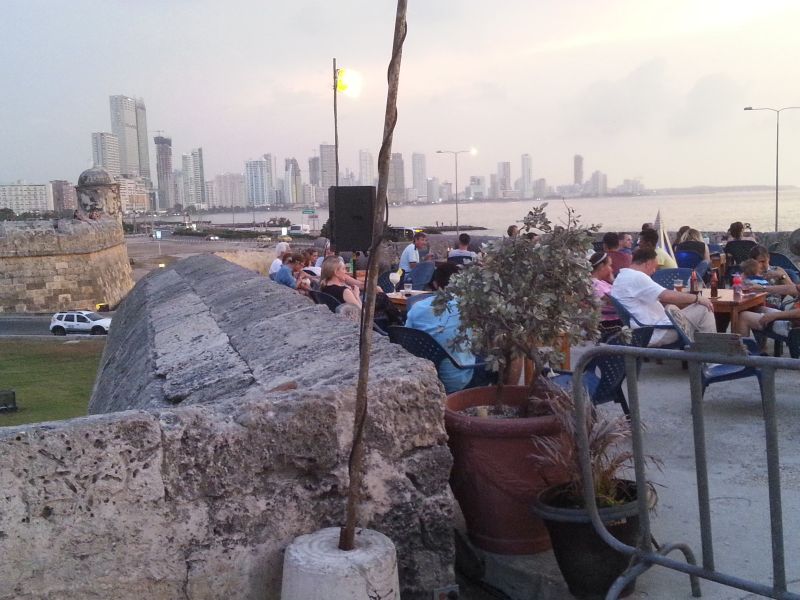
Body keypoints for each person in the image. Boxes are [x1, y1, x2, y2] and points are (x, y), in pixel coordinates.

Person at [611, 248, 718, 346]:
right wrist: (698, 298)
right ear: (648, 263)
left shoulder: (622, 277)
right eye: (654, 267)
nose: (654, 271)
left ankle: (702, 352)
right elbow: (666, 295)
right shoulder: (637, 277)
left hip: (645, 330)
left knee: (692, 311)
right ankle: (711, 357)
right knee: (705, 308)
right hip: (657, 331)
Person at [405, 262, 478, 393]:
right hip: (458, 380)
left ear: (435, 284)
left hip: (424, 378)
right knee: (507, 356)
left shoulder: (416, 308)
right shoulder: (467, 308)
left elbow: (406, 341)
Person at [589, 252, 618, 322]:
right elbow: (618, 302)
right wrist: (613, 281)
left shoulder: (601, 282)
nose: (611, 270)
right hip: (609, 323)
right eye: (609, 265)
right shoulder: (595, 284)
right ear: (601, 266)